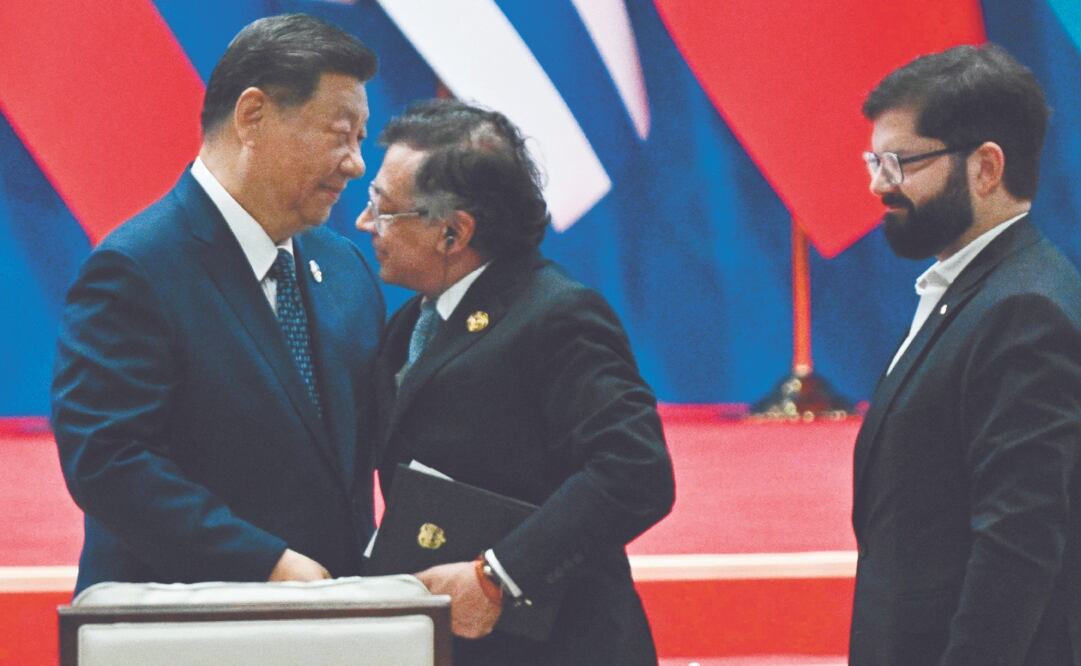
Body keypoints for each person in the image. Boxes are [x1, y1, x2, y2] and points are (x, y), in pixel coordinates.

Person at [51, 14, 384, 593]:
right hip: (184, 621)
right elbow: (108, 460)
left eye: (360, 139)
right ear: (252, 116)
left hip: (336, 625)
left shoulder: (346, 269)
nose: (356, 163)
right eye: (340, 134)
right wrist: (265, 564)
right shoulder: (136, 267)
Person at [357, 99, 675, 665]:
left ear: (452, 233)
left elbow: (636, 471)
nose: (365, 224)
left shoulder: (558, 314)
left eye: (383, 210)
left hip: (563, 646)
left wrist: (497, 575)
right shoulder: (414, 319)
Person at [851, 44, 1081, 665]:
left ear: (985, 168)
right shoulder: (975, 287)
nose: (877, 183)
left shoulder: (1024, 311)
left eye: (899, 163)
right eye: (875, 160)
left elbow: (1018, 544)